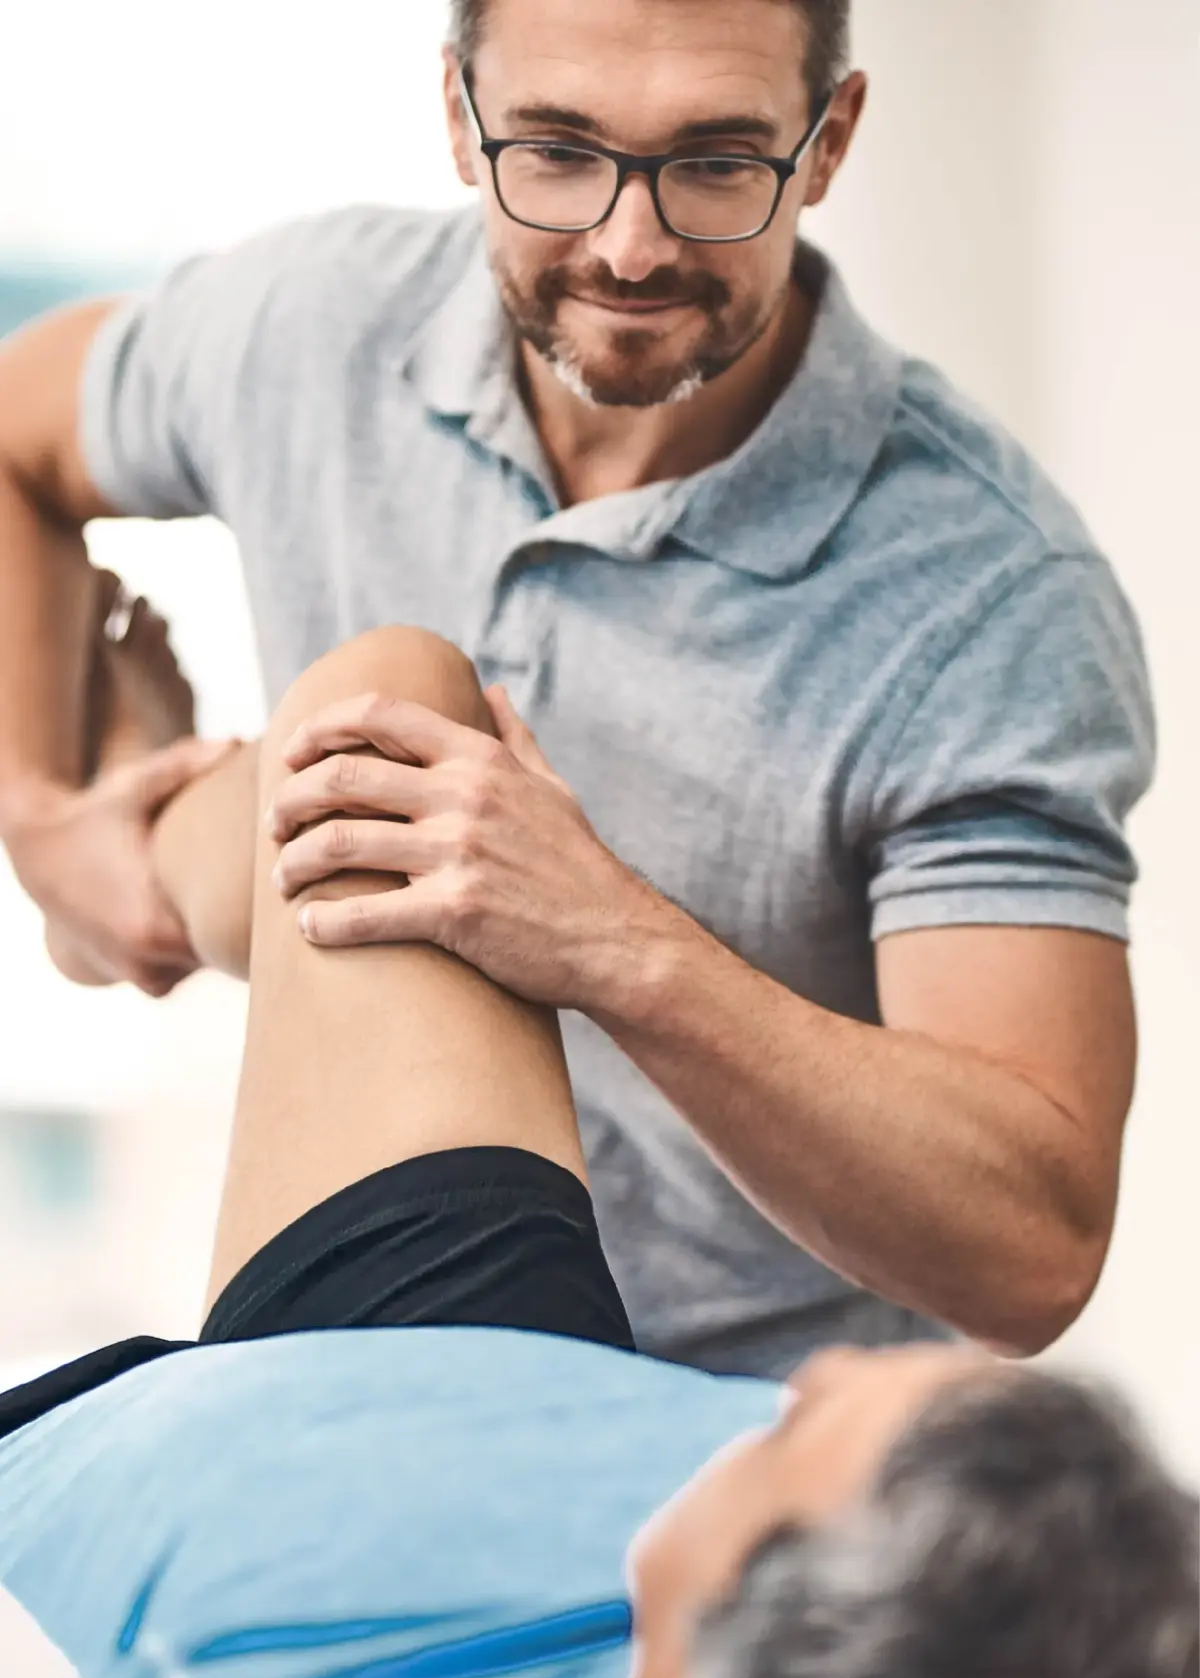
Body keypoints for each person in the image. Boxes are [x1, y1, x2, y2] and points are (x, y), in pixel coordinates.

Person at [0, 0, 1156, 1380]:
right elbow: (19, 434)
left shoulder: (985, 593)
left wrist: (610, 939)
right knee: (386, 710)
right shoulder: (311, 325)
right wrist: (39, 817)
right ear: (458, 117)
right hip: (365, 1333)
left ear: (827, 141)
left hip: (733, 1453)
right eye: (555, 151)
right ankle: (164, 868)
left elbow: (1033, 1251)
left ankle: (193, 846)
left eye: (717, 163)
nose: (629, 243)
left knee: (384, 705)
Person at [0, 619, 1194, 1678]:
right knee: (390, 733)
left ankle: (127, 869)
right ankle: (125, 877)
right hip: (477, 1418)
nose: (805, 1379)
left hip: (260, 1496)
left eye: (780, 1436)